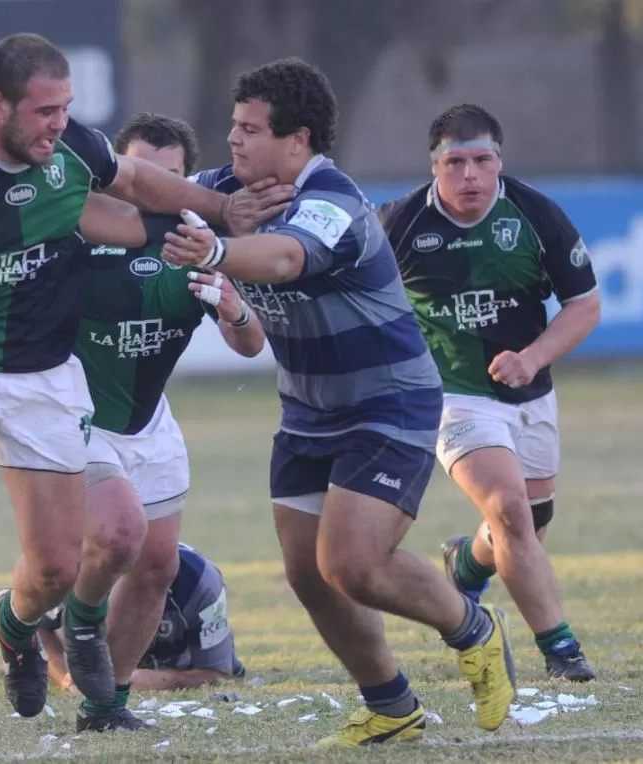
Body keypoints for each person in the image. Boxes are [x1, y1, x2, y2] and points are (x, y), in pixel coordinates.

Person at [0, 32, 289, 764]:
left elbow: (136, 183)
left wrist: (217, 209)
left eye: (66, 108)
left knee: (54, 569)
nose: (58, 124)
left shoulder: (73, 149)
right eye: (44, 111)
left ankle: (16, 627)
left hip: (44, 377)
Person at [161, 58, 517, 749]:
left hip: (391, 405)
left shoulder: (334, 202)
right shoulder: (226, 190)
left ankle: (472, 626)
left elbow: (286, 260)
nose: (232, 141)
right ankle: (390, 706)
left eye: (249, 129)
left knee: (352, 563)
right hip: (308, 412)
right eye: (233, 126)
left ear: (297, 141)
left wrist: (215, 247)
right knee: (308, 573)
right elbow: (155, 192)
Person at [21, 112, 265, 732]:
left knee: (156, 565)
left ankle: (107, 704)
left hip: (150, 421)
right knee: (112, 541)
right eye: (143, 176)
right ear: (118, 176)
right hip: (77, 417)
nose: (158, 189)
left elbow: (251, 345)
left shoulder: (199, 241)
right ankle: (39, 622)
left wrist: (236, 312)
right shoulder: (73, 235)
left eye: (173, 177)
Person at [377, 103, 600, 682]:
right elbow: (349, 290)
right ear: (435, 167)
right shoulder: (398, 225)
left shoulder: (534, 214)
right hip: (450, 396)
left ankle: (467, 566)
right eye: (456, 162)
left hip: (531, 394)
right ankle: (562, 650)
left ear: (499, 161)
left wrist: (532, 358)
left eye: (482, 160)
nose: (470, 175)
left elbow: (585, 305)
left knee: (529, 521)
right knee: (507, 509)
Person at [39, 542, 246, 694]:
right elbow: (41, 626)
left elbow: (218, 673)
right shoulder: (79, 570)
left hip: (174, 663)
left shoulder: (200, 583)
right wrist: (66, 677)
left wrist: (160, 680)